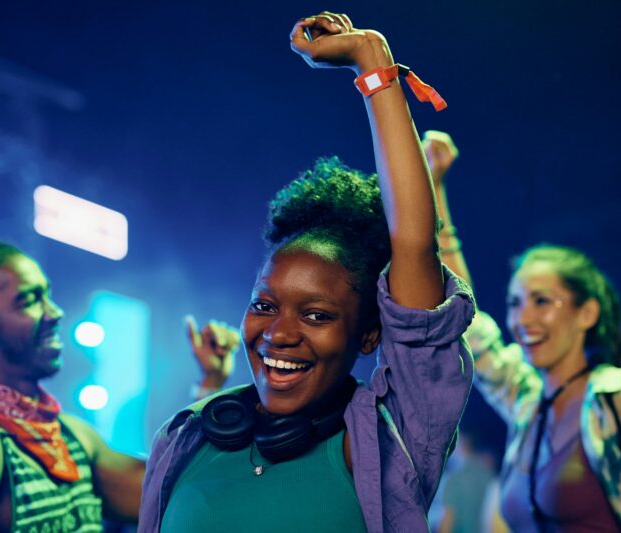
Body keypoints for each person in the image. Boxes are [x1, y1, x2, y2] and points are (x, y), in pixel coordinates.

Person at [138, 11, 475, 533]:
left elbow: (412, 242)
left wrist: (371, 58)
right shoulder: (186, 439)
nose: (280, 333)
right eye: (265, 306)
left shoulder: (389, 445)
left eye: (317, 315)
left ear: (368, 334)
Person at [0, 238, 239, 532]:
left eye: (46, 294)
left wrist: (211, 382)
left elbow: (174, 492)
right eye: (29, 300)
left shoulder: (71, 436)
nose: (55, 312)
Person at [426, 130, 621, 532]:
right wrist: (433, 187)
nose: (523, 320)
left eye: (542, 301)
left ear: (587, 313)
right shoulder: (528, 402)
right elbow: (466, 320)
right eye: (515, 304)